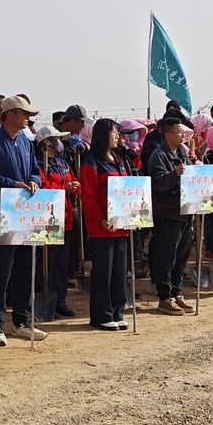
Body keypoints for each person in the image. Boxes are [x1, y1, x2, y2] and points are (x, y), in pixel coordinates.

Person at [0, 95, 44, 346]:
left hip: (24, 216)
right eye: (24, 114)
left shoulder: (25, 141)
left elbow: (35, 170)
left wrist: (34, 181)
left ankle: (21, 321)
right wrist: (10, 184)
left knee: (25, 269)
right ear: (10, 114)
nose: (28, 119)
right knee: (0, 272)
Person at [80, 119, 132, 329]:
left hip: (122, 228)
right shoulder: (91, 163)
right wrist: (101, 219)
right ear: (103, 134)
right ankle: (102, 316)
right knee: (104, 273)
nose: (118, 135)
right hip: (102, 228)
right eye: (114, 131)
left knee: (119, 272)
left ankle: (117, 312)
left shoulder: (119, 160)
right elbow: (89, 197)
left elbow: (128, 191)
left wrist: (134, 216)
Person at [147, 117, 194, 315]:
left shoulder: (183, 154)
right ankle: (164, 296)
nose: (183, 136)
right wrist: (174, 174)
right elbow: (157, 183)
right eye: (179, 132)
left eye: (184, 132)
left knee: (181, 256)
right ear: (167, 135)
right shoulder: (158, 156)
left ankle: (177, 292)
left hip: (185, 211)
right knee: (166, 256)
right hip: (168, 214)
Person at [35, 126, 78, 318]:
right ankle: (44, 296)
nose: (59, 142)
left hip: (65, 215)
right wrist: (63, 187)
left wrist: (74, 186)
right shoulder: (37, 163)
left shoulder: (62, 163)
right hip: (48, 218)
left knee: (62, 262)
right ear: (45, 142)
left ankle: (60, 300)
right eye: (55, 139)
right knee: (47, 261)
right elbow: (42, 186)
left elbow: (73, 180)